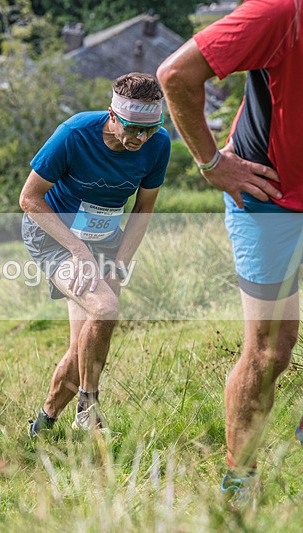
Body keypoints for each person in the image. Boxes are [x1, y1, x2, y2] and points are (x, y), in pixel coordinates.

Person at [157, 0, 301, 498]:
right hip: (269, 200)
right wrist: (211, 162)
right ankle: (240, 480)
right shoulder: (283, 13)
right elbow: (175, 73)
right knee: (269, 351)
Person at [20, 73, 170, 435]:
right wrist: (78, 250)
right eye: (133, 129)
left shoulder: (157, 144)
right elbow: (29, 199)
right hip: (54, 236)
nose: (140, 138)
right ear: (112, 115)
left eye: (148, 130)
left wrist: (120, 264)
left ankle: (44, 422)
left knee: (82, 345)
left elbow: (143, 209)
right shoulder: (74, 134)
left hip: (104, 238)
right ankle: (89, 406)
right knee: (105, 308)